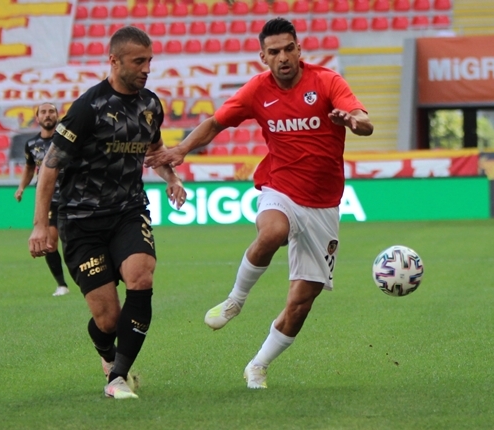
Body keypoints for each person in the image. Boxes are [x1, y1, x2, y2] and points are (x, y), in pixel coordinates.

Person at [145, 18, 373, 389]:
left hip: (324, 204)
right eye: (274, 52)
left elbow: (365, 122)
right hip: (279, 187)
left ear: (299, 50)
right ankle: (235, 300)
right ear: (263, 57)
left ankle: (258, 365)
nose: (282, 57)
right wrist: (182, 149)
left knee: (300, 303)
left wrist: (352, 121)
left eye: (288, 49)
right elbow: (216, 123)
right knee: (273, 231)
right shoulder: (257, 90)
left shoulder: (327, 81)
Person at [28, 26, 187, 400]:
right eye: (139, 61)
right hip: (81, 222)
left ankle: (117, 378)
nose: (147, 68)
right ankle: (106, 352)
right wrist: (40, 225)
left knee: (141, 275)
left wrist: (171, 177)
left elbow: (154, 152)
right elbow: (49, 167)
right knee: (108, 320)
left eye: (150, 60)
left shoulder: (151, 105)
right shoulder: (88, 108)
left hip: (128, 210)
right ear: (114, 61)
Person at [15, 102, 70, 297]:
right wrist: (21, 187)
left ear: (57, 115)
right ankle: (62, 284)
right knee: (49, 243)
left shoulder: (66, 140)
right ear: (37, 117)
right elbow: (30, 168)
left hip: (71, 198)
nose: (47, 115)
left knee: (72, 242)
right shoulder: (31, 144)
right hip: (49, 200)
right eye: (43, 112)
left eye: (51, 112)